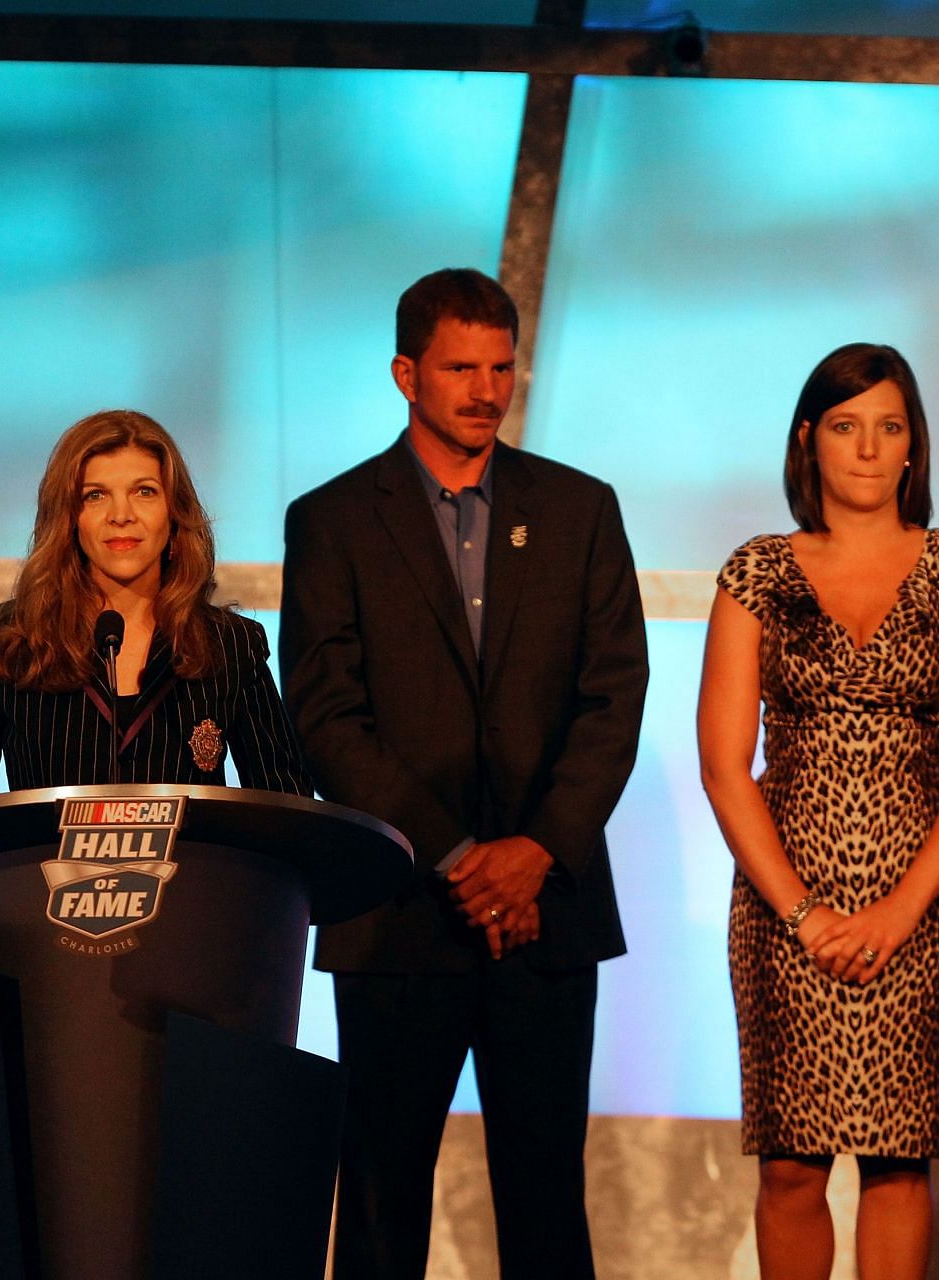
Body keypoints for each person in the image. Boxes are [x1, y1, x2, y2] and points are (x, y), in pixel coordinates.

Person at [280, 267, 648, 1280]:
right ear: (406, 373)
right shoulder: (334, 518)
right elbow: (324, 714)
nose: (486, 389)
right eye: (459, 368)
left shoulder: (580, 508)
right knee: (380, 1207)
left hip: (550, 909)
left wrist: (535, 851)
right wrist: (456, 857)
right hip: (399, 913)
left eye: (500, 366)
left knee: (544, 1204)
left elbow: (614, 695)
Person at [698, 343, 939, 1280]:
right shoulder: (758, 571)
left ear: (914, 446)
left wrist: (900, 909)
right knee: (792, 1165)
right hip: (783, 897)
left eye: (889, 427)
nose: (869, 450)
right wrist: (803, 913)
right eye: (847, 427)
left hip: (918, 899)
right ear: (810, 441)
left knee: (898, 1164)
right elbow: (724, 765)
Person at [0, 408, 310, 800]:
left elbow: (286, 807)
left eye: (144, 491)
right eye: (95, 496)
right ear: (69, 518)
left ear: (174, 512)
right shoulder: (7, 640)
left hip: (192, 863)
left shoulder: (230, 645)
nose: (121, 515)